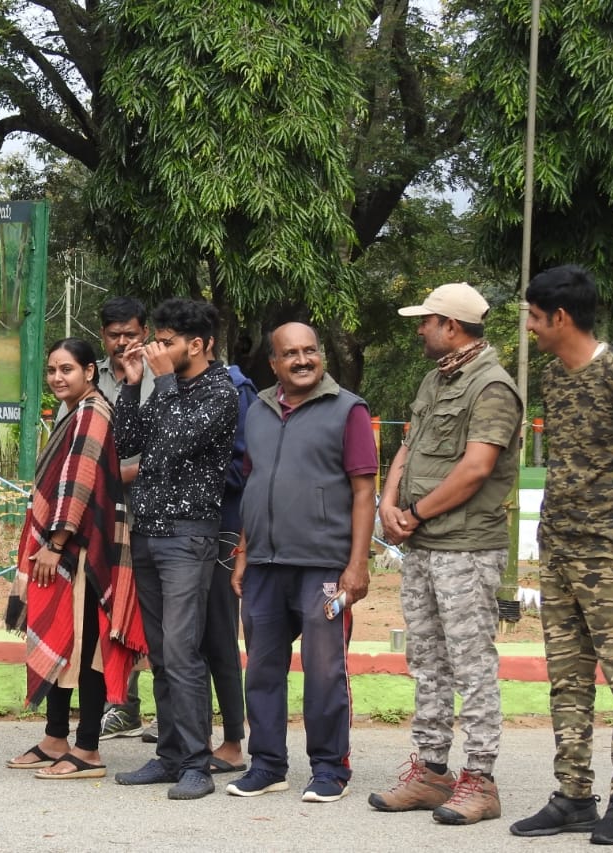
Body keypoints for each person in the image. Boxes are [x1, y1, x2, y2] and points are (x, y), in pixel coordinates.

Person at [509, 265, 613, 846]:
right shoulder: (553, 375)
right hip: (560, 548)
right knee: (567, 679)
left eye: (534, 318)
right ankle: (574, 796)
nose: (531, 328)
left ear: (560, 317)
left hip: (609, 553)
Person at [370, 284, 521, 824]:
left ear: (452, 326)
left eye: (426, 321)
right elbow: (408, 447)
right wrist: (389, 500)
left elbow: (477, 467)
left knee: (470, 663)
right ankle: (433, 773)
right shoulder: (437, 379)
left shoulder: (493, 387)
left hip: (465, 545)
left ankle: (480, 780)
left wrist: (416, 514)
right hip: (426, 544)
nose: (420, 329)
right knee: (428, 660)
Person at [229, 321, 377, 803]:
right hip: (266, 565)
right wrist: (245, 553)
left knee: (325, 669)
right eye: (290, 353)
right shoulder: (258, 412)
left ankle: (330, 768)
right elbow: (254, 483)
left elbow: (363, 490)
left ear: (321, 356)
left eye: (310, 350)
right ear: (274, 363)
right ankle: (267, 765)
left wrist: (357, 565)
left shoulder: (348, 410)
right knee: (263, 669)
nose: (302, 360)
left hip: (324, 566)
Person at [111, 297, 238, 801]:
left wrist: (161, 381)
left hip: (189, 534)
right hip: (149, 529)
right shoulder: (168, 389)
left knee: (184, 651)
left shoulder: (219, 391)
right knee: (161, 652)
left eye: (166, 342)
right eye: (156, 341)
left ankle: (196, 764)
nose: (157, 349)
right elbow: (128, 440)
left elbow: (179, 438)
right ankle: (169, 755)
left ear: (199, 344)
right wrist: (129, 383)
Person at [4, 338, 147, 779]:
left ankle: (88, 748)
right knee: (64, 641)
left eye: (66, 369)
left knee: (87, 648)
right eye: (51, 370)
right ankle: (55, 737)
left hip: (83, 551)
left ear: (89, 372)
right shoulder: (76, 411)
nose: (57, 377)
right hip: (71, 550)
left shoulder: (91, 411)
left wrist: (56, 542)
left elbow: (79, 481)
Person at [76, 296, 154, 741]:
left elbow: (164, 446)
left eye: (130, 333)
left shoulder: (161, 373)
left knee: (155, 609)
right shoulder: (92, 374)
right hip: (102, 511)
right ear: (102, 335)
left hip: (151, 507)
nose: (123, 342)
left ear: (144, 332)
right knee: (111, 606)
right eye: (114, 335)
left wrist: (115, 473)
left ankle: (178, 716)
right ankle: (123, 705)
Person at [206, 357, 257, 774]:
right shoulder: (172, 387)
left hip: (223, 526)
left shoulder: (232, 390)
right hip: (184, 530)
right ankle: (191, 733)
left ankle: (232, 741)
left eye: (169, 342)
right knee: (189, 639)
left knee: (221, 634)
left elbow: (245, 466)